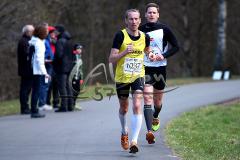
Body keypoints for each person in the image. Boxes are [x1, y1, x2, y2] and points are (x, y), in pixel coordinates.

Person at [108, 9, 154, 154]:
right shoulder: (120, 35)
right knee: (124, 108)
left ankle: (134, 141)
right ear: (126, 20)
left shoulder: (145, 37)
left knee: (137, 104)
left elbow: (147, 50)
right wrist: (124, 53)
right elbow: (111, 59)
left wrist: (151, 55)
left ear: (140, 20)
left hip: (138, 76)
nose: (134, 22)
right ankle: (124, 132)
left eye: (136, 19)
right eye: (131, 19)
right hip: (122, 77)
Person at [139, 2, 179, 143]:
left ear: (158, 14)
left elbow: (176, 47)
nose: (151, 14)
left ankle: (156, 116)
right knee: (147, 99)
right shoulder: (140, 30)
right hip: (146, 68)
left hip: (160, 68)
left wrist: (163, 55)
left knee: (158, 102)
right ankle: (149, 132)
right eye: (149, 12)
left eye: (154, 12)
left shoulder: (165, 29)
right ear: (145, 15)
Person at [29, 24, 50, 118]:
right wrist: (45, 72)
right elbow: (39, 59)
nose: (47, 33)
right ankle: (34, 111)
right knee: (36, 91)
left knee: (35, 91)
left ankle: (34, 109)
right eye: (46, 31)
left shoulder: (33, 41)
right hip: (37, 71)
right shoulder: (39, 43)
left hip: (33, 70)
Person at [53, 25, 75, 112]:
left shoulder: (60, 41)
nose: (54, 32)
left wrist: (54, 61)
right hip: (69, 66)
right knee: (67, 86)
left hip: (61, 67)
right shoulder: (69, 41)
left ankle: (64, 106)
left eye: (55, 31)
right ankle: (70, 105)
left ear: (59, 32)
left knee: (62, 87)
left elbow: (59, 55)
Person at [17, 25, 35, 114]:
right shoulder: (24, 41)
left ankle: (26, 107)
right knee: (25, 89)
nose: (33, 33)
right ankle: (24, 108)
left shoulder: (27, 41)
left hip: (28, 69)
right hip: (26, 70)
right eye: (32, 31)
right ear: (27, 32)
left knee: (27, 89)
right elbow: (27, 55)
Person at [71, 44, 84, 110]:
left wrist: (81, 78)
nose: (80, 50)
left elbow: (81, 69)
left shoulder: (79, 57)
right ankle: (72, 103)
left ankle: (74, 103)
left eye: (81, 49)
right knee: (73, 90)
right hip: (73, 77)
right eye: (78, 49)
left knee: (77, 90)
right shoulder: (73, 56)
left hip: (78, 77)